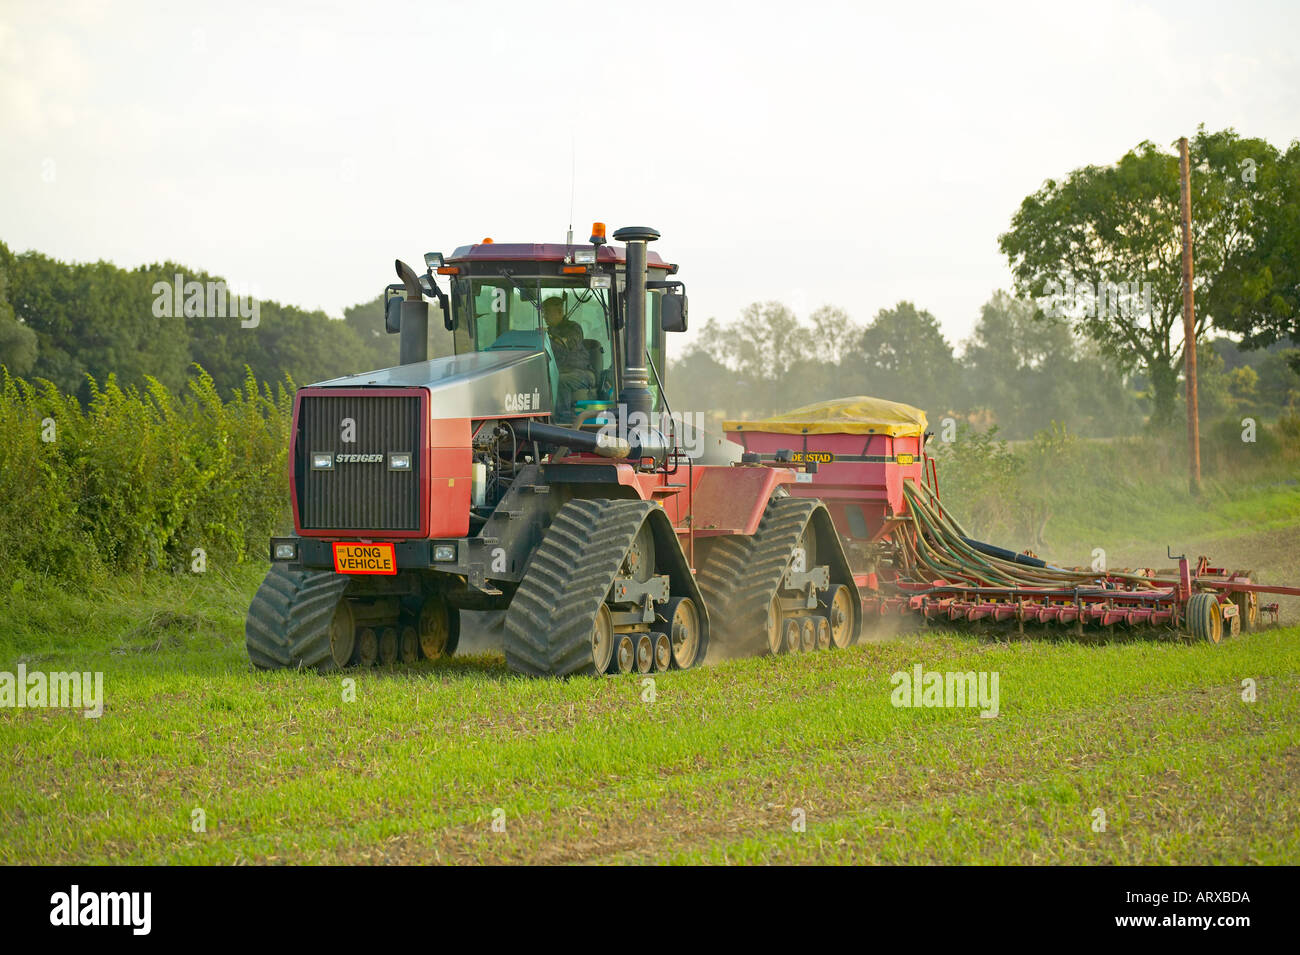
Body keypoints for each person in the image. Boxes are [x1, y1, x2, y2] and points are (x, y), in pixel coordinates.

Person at [542, 297, 595, 416]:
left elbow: (567, 345)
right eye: (544, 313)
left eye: (547, 312)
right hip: (558, 371)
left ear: (560, 312)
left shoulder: (574, 329)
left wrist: (547, 339)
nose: (544, 316)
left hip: (582, 373)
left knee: (561, 381)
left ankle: (563, 418)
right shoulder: (547, 333)